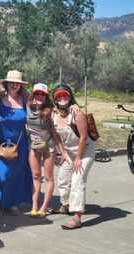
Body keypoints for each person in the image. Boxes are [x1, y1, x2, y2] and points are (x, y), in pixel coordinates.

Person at [0, 70, 32, 217]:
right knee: (0, 175)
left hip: (20, 143)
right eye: (11, 82)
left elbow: (44, 106)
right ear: (6, 83)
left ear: (21, 85)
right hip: (1, 142)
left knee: (16, 174)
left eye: (17, 83)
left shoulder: (25, 99)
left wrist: (74, 104)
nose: (14, 85)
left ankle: (13, 203)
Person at [51, 84, 95, 229]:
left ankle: (77, 216)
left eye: (65, 95)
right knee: (63, 178)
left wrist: (78, 158)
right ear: (55, 99)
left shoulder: (77, 113)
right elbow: (56, 136)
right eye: (59, 96)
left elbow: (83, 138)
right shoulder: (53, 115)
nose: (62, 97)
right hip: (69, 151)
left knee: (77, 180)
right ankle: (66, 205)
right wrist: (63, 153)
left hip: (85, 151)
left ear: (70, 98)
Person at [26, 83, 67, 218]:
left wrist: (62, 152)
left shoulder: (51, 111)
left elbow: (55, 134)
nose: (40, 96)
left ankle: (44, 207)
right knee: (36, 176)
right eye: (37, 93)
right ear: (33, 94)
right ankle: (34, 206)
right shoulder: (27, 106)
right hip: (34, 146)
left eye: (43, 94)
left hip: (48, 146)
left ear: (46, 96)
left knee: (48, 177)